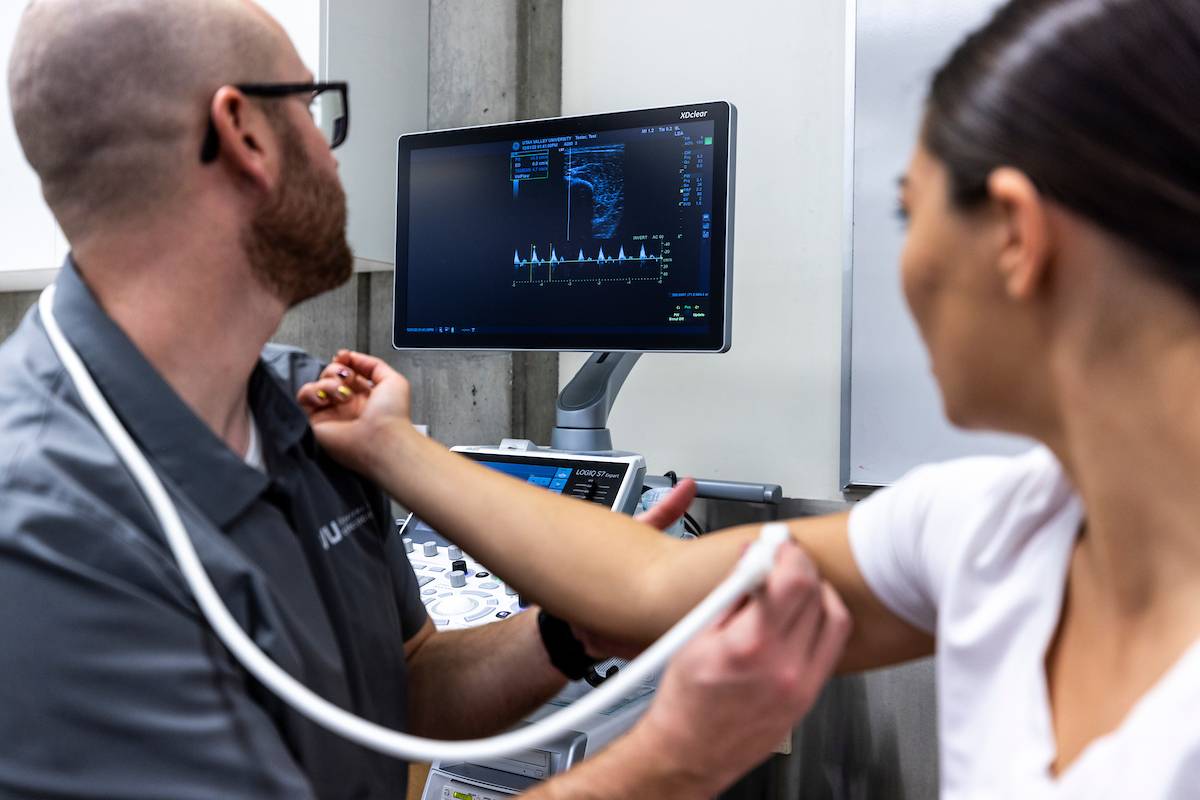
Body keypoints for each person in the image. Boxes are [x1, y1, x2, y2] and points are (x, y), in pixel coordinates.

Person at [303, 0, 1200, 796]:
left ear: (1015, 236)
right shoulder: (986, 527)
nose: (902, 263)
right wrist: (394, 445)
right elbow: (650, 584)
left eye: (906, 211)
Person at [0, 0, 850, 798]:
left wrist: (568, 634)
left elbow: (405, 683)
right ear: (245, 133)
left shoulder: (315, 413)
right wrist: (678, 759)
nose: (331, 154)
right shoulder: (42, 525)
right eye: (316, 111)